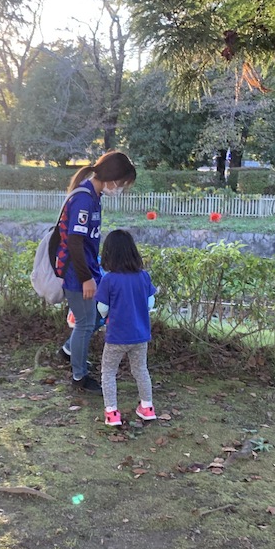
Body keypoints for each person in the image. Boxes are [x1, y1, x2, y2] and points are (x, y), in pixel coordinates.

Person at [57, 150, 137, 393]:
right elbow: (74, 242)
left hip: (89, 269)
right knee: (85, 322)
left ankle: (70, 351)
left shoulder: (94, 196)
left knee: (94, 318)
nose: (120, 188)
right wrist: (86, 279)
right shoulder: (84, 199)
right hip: (77, 274)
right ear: (112, 178)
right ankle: (79, 377)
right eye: (121, 183)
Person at [96, 229, 158, 426]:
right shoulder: (144, 276)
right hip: (140, 335)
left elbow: (102, 308)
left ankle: (112, 412)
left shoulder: (109, 279)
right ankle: (147, 407)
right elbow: (150, 304)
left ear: (108, 253)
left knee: (108, 372)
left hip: (117, 336)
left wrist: (106, 317)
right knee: (140, 370)